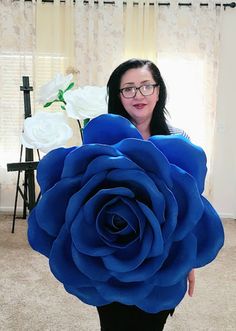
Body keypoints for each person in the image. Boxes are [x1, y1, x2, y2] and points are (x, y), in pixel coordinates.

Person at [96, 58, 195, 331]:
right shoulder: (101, 140)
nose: (137, 95)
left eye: (145, 86)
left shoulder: (179, 140)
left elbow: (190, 205)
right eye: (128, 88)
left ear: (158, 90)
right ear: (118, 96)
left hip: (162, 256)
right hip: (114, 252)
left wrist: (189, 262)